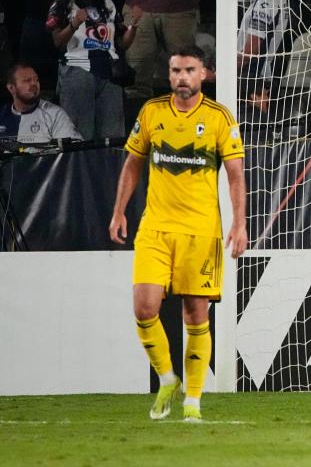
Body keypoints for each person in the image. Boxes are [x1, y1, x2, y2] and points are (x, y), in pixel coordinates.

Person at [109, 45, 247, 423]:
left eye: (189, 70)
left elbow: (236, 175)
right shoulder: (152, 112)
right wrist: (120, 210)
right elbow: (133, 163)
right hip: (155, 228)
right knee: (144, 307)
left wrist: (239, 223)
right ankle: (168, 377)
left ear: (204, 74)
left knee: (195, 315)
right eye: (175, 70)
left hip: (201, 232)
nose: (181, 77)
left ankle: (193, 402)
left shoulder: (220, 117)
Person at [46, 0, 141, 140]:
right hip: (77, 71)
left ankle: (110, 169)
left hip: (110, 75)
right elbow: (57, 42)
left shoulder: (109, 5)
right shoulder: (61, 5)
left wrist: (134, 25)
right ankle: (79, 169)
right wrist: (73, 24)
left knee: (113, 136)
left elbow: (121, 44)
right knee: (79, 135)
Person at [0, 62, 81, 143]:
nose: (34, 84)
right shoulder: (2, 115)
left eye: (36, 80)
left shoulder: (55, 114)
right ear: (11, 88)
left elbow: (72, 150)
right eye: (27, 81)